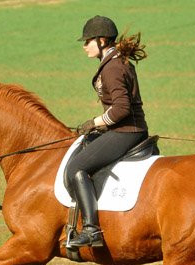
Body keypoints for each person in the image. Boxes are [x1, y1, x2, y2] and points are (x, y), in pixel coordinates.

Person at [65, 15, 149, 248]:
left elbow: (121, 108)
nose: (84, 46)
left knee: (77, 167)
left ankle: (91, 230)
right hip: (126, 129)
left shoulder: (112, 67)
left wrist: (95, 122)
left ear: (102, 41)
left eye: (88, 41)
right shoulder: (114, 61)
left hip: (126, 131)